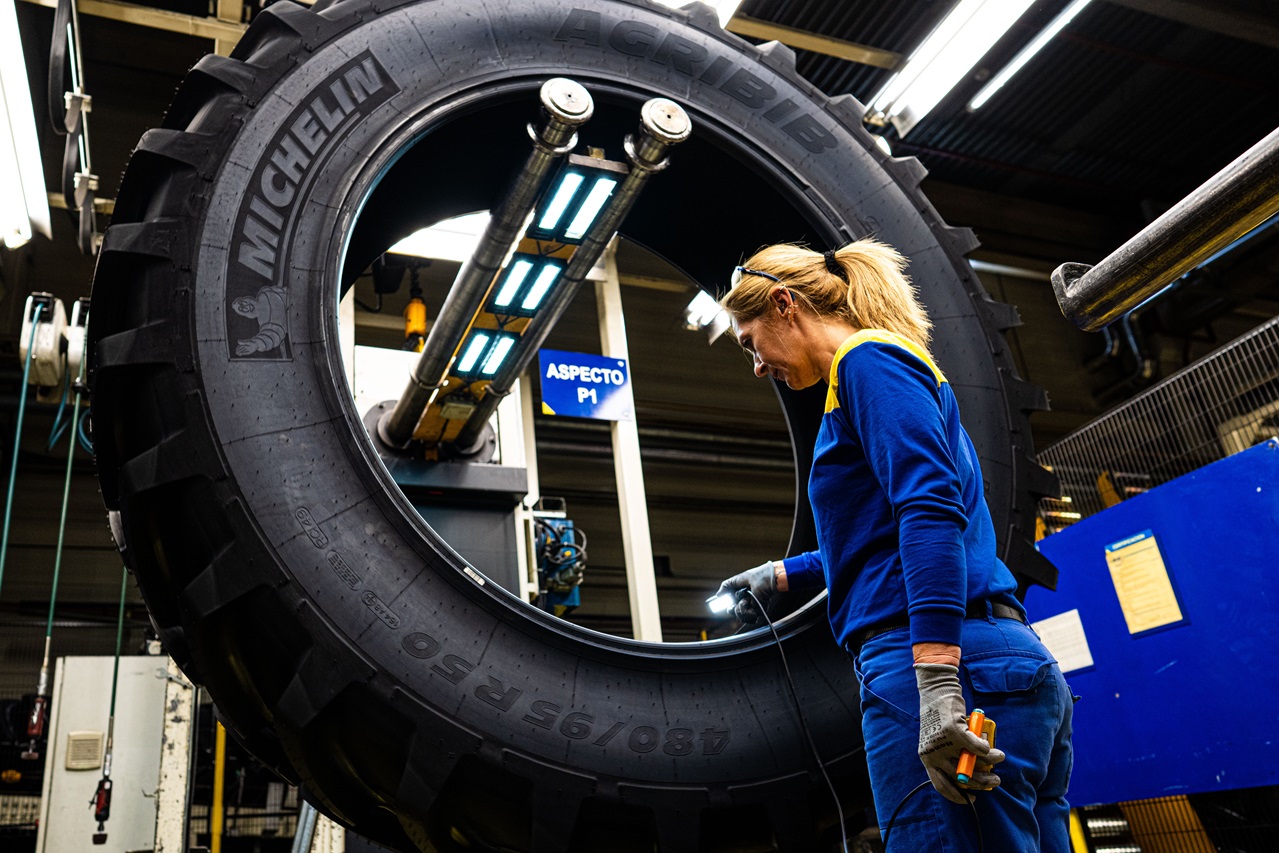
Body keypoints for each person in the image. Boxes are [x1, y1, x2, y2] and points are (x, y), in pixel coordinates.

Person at [715, 239, 1073, 852]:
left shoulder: (866, 362)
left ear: (783, 304)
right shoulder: (875, 375)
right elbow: (884, 534)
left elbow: (927, 509)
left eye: (750, 342)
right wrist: (782, 574)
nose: (755, 365)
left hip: (940, 664)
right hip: (1001, 664)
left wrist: (936, 682)